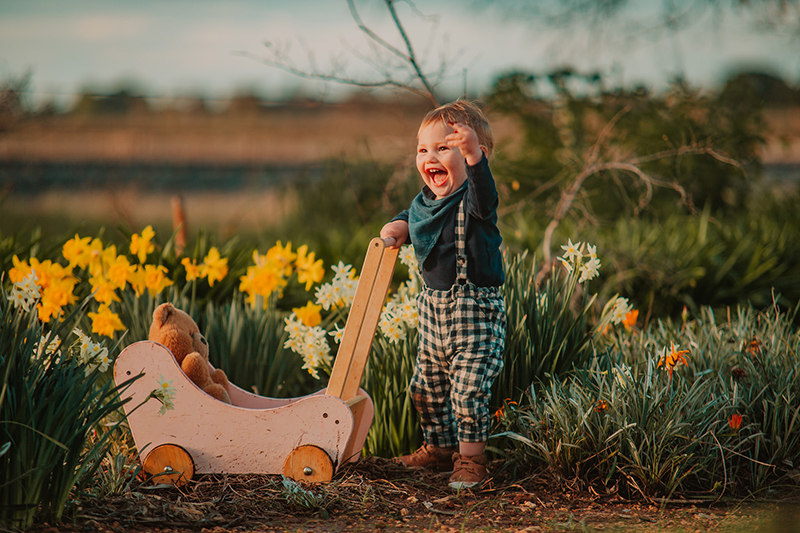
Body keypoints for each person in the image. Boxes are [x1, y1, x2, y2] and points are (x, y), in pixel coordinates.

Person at [380, 100, 506, 490]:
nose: (430, 157)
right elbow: (412, 213)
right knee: (426, 386)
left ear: (474, 156)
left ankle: (472, 460)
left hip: (475, 314)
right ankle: (438, 448)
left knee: (468, 389)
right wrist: (398, 226)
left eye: (444, 147)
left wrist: (473, 159)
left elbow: (485, 193)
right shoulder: (426, 204)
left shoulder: (475, 201)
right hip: (434, 314)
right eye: (423, 149)